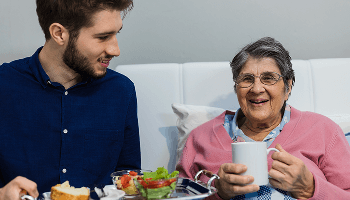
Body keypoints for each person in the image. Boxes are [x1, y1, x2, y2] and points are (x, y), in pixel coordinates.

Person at [176, 37, 350, 199]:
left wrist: (311, 188)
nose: (257, 88)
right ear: (236, 88)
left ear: (288, 87)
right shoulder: (200, 137)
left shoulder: (323, 130)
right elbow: (179, 194)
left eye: (268, 78)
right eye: (247, 79)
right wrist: (217, 191)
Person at [0, 0, 141, 199]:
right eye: (103, 37)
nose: (115, 50)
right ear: (59, 33)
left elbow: (128, 177)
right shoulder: (3, 85)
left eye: (116, 33)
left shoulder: (121, 91)